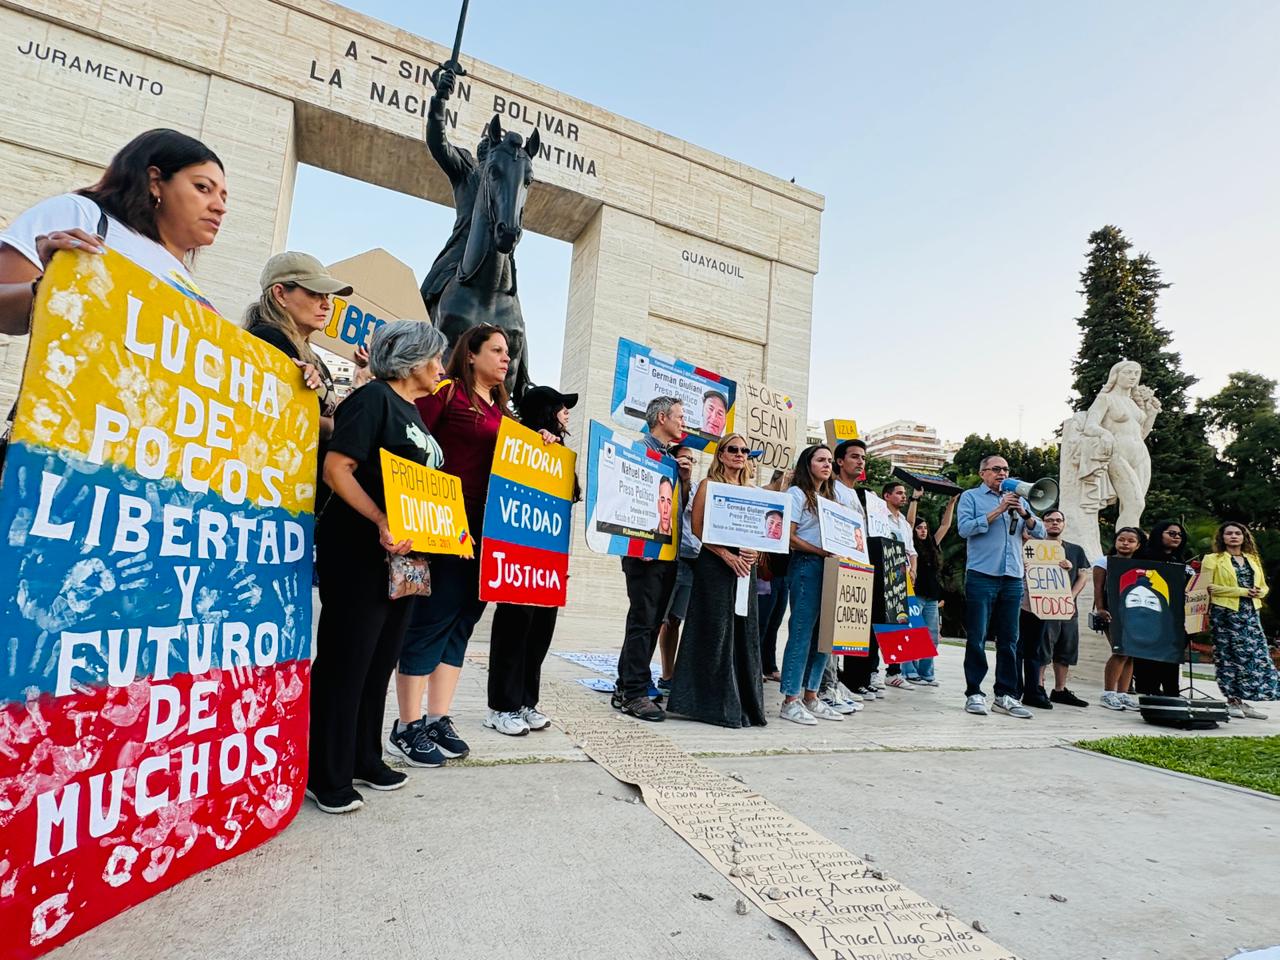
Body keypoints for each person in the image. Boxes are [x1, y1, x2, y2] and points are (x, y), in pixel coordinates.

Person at [308, 320, 448, 813]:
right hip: (359, 551)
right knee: (347, 662)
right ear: (411, 360)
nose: (441, 367)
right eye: (435, 357)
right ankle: (325, 773)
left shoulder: (413, 411)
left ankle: (364, 757)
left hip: (403, 560)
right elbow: (337, 469)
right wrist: (380, 519)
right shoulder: (373, 401)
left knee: (379, 661)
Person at [390, 325, 535, 763]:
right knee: (431, 620)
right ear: (470, 355)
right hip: (446, 527)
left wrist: (540, 442)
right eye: (497, 350)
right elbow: (409, 439)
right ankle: (407, 725)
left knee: (461, 624)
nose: (506, 358)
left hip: (489, 535)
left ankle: (438, 718)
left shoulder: (504, 412)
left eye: (508, 352)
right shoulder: (447, 393)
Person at [1, 128, 226, 336]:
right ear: (155, 182)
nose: (220, 207)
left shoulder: (184, 281)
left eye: (223, 197)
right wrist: (54, 286)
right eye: (203, 187)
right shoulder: (84, 214)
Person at [484, 386, 582, 735]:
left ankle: (527, 702)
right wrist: (532, 444)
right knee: (514, 630)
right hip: (517, 556)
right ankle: (501, 706)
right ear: (545, 411)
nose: (567, 413)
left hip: (548, 557)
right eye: (561, 407)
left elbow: (571, 497)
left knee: (540, 632)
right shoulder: (518, 441)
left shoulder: (560, 452)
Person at [667, 433, 766, 727]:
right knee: (714, 629)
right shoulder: (708, 485)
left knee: (743, 629)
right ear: (721, 454)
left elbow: (763, 531)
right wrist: (725, 555)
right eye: (733, 449)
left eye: (744, 450)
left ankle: (743, 701)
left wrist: (756, 552)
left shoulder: (752, 490)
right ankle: (709, 703)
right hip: (714, 565)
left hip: (745, 566)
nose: (739, 454)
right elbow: (697, 528)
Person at [244, 251, 353, 512]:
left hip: (294, 492)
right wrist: (333, 425)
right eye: (315, 294)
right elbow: (280, 416)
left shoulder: (307, 353)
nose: (326, 305)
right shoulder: (269, 341)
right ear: (280, 294)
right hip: (273, 493)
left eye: (327, 296)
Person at [956, 455, 1046, 718]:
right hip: (981, 574)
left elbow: (1040, 532)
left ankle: (1006, 695)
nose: (1002, 474)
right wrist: (998, 510)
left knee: (1009, 640)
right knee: (977, 637)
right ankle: (974, 692)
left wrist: (1024, 512)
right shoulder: (971, 497)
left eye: (1005, 469)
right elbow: (965, 529)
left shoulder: (1021, 500)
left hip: (1013, 577)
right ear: (982, 473)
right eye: (996, 469)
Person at [614, 396, 686, 721]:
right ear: (661, 418)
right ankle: (635, 694)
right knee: (643, 621)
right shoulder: (637, 452)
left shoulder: (670, 460)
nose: (683, 423)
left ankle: (625, 686)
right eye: (679, 417)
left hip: (667, 552)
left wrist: (684, 480)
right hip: (644, 553)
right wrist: (636, 544)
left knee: (651, 622)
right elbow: (626, 500)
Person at [778, 444, 846, 725]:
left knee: (825, 634)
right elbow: (789, 536)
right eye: (821, 460)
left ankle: (811, 695)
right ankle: (790, 699)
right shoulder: (796, 494)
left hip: (831, 566)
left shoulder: (829, 498)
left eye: (830, 460)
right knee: (802, 632)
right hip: (807, 564)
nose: (827, 464)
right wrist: (820, 551)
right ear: (808, 464)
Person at [1017, 509, 1091, 709]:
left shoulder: (1075, 550)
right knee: (1042, 647)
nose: (1054, 523)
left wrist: (1070, 597)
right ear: (1042, 523)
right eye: (1049, 520)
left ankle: (1060, 689)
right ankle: (1038, 685)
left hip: (1066, 606)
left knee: (1066, 647)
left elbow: (1083, 575)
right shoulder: (1032, 546)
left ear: (1064, 523)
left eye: (1059, 520)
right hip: (1041, 606)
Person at [1204, 522, 1276, 719]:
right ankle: (1232, 700)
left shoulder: (1252, 559)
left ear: (1244, 537)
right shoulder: (1213, 559)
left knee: (1254, 657)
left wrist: (1260, 592)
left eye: (1238, 533)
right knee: (1228, 655)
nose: (1234, 536)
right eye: (1229, 533)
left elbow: (1263, 586)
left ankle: (1244, 700)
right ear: (1222, 537)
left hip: (1250, 612)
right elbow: (1208, 587)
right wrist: (1243, 591)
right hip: (1225, 612)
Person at [656, 444, 700, 697]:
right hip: (672, 556)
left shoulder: (697, 489)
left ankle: (668, 675)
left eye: (692, 460)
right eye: (683, 458)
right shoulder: (665, 485)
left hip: (693, 560)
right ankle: (640, 676)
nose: (688, 463)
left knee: (675, 620)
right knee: (658, 618)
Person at [902, 495, 958, 687]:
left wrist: (951, 503)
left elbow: (945, 525)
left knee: (931, 637)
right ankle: (909, 671)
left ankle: (926, 673)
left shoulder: (933, 544)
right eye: (920, 528)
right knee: (912, 633)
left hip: (932, 597)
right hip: (915, 594)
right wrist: (914, 500)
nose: (923, 530)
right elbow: (909, 522)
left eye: (925, 527)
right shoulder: (910, 543)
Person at [1132, 520, 1193, 697]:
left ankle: (1171, 692)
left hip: (1173, 618)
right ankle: (1148, 690)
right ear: (1159, 534)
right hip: (1148, 617)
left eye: (1180, 535)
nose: (1176, 537)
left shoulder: (1179, 561)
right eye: (1171, 533)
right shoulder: (1143, 557)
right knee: (1147, 658)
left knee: (1171, 656)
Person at [1092, 526, 1146, 710]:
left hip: (1134, 614)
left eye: (1131, 541)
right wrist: (1100, 608)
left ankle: (1123, 693)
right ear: (1115, 541)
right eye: (1121, 539)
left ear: (1138, 545)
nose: (1125, 544)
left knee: (1131, 654)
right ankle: (1108, 693)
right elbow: (1098, 588)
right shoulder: (1104, 562)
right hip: (1111, 613)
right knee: (1120, 650)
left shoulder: (1141, 564)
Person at [879, 480, 921, 688]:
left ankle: (894, 672)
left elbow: (912, 551)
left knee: (900, 624)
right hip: (884, 571)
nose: (903, 496)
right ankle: (871, 672)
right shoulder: (879, 517)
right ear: (887, 496)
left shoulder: (904, 523)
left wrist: (913, 570)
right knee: (880, 622)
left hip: (902, 576)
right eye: (899, 493)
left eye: (904, 493)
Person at [755, 467, 793, 682]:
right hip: (766, 571)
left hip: (784, 570)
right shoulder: (764, 496)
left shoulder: (792, 501)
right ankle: (755, 665)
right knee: (762, 620)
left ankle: (769, 664)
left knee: (775, 621)